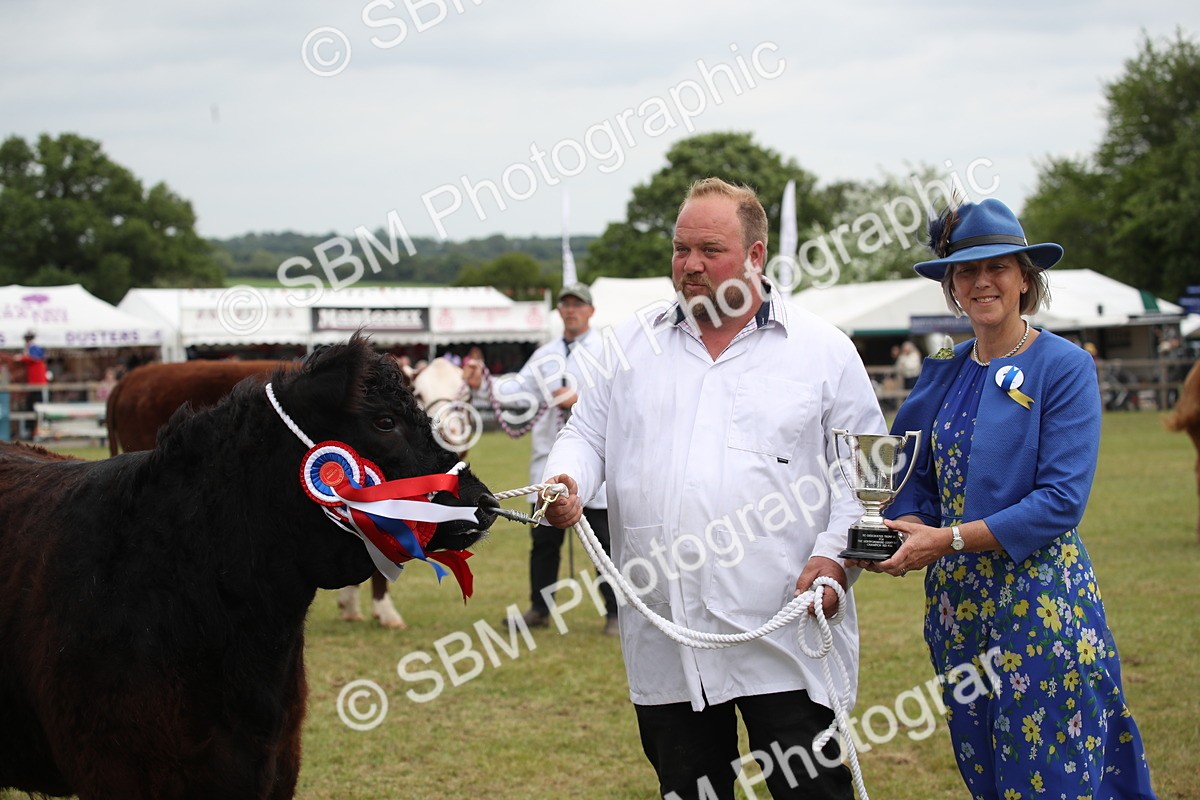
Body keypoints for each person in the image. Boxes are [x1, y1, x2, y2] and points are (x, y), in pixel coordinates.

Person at [542, 178, 884, 799]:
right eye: (680, 249)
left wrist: (835, 559)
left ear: (755, 256)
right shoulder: (630, 344)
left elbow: (861, 478)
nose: (691, 266)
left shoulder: (824, 351)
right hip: (666, 626)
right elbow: (585, 434)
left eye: (710, 249)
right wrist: (565, 480)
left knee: (812, 792)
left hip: (784, 625)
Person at [849, 198, 1157, 799]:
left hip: (1040, 604)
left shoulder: (1063, 366)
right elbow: (917, 485)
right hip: (957, 610)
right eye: (966, 270)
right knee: (986, 772)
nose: (982, 281)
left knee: (1052, 775)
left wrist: (948, 539)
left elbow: (1061, 501)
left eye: (998, 266)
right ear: (952, 285)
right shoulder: (944, 370)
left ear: (1024, 277)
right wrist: (897, 529)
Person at [466, 283, 619, 635]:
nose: (570, 311)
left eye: (577, 305)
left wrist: (578, 399)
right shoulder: (545, 354)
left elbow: (618, 397)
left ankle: (614, 612)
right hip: (549, 461)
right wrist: (483, 381)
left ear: (590, 311)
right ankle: (539, 607)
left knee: (604, 546)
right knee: (544, 543)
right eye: (565, 305)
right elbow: (517, 390)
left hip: (594, 466)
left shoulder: (607, 350)